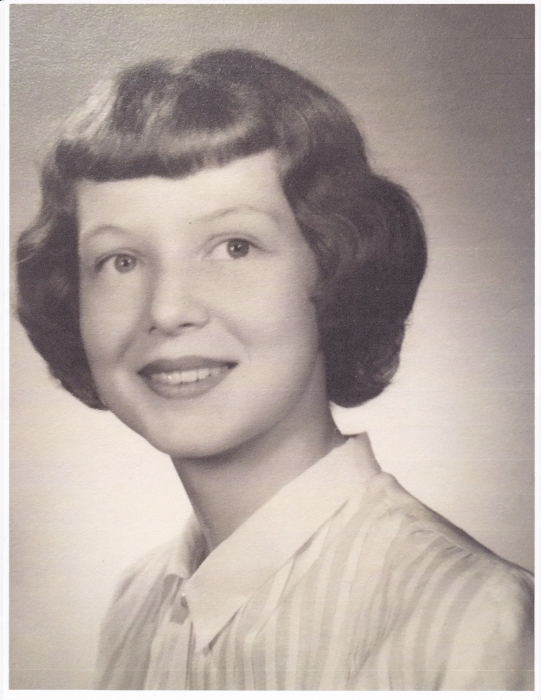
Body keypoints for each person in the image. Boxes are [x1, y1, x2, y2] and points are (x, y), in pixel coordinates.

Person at [16, 49, 533, 690]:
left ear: (336, 267)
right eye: (120, 261)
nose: (168, 310)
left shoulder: (472, 620)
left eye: (235, 247)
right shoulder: (135, 607)